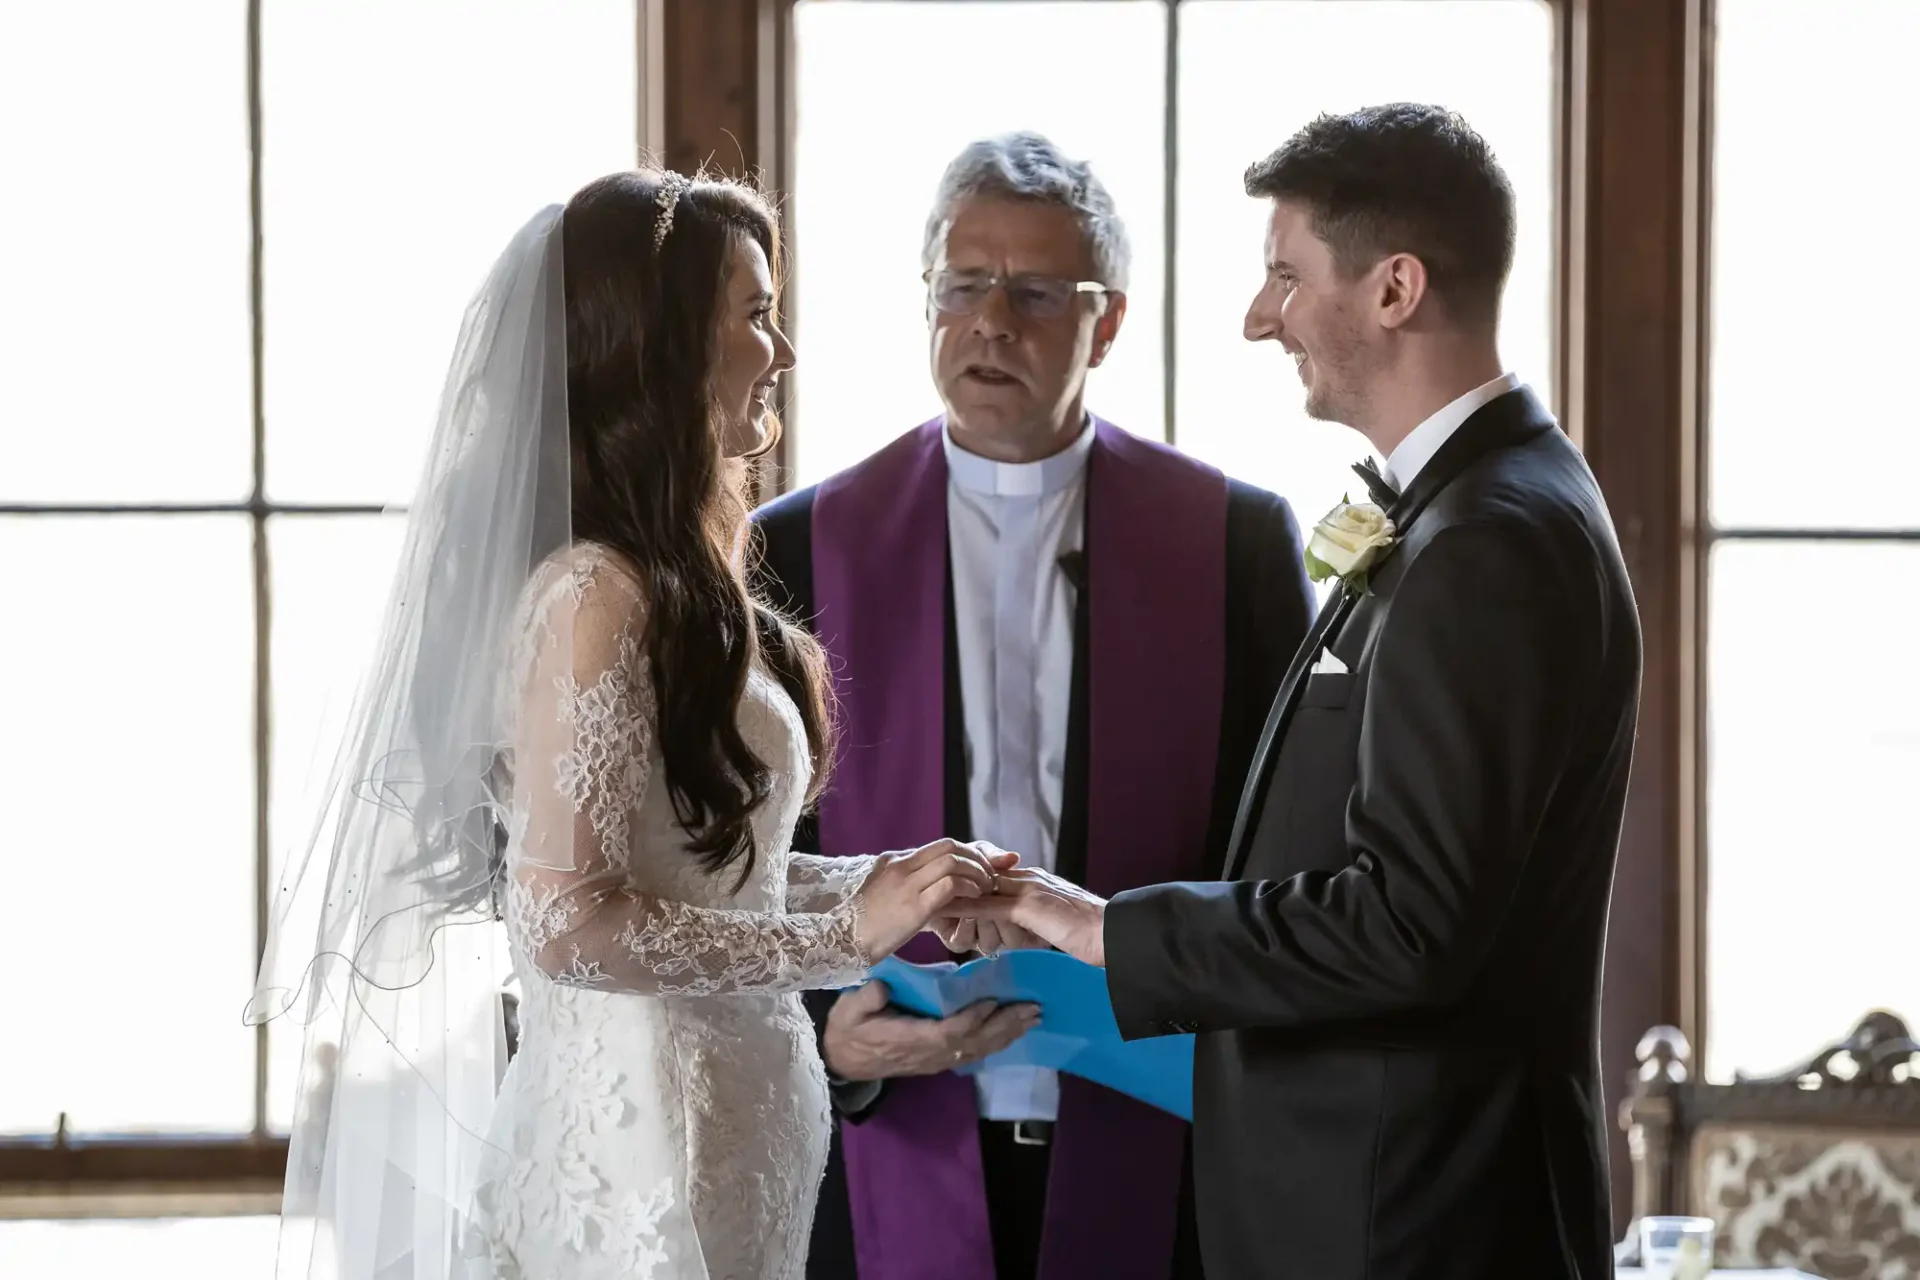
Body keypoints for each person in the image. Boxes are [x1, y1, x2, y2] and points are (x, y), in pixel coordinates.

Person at [247, 169, 1007, 1280]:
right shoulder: (591, 596)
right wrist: (843, 939)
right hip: (642, 1143)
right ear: (663, 349)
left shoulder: (680, 584)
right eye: (755, 315)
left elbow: (707, 879)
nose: (783, 350)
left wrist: (899, 883)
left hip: (742, 1129)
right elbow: (569, 922)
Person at [961, 105, 1642, 1280]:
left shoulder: (1491, 542)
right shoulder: (1468, 509)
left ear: (1394, 289)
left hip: (1409, 1221)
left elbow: (1411, 920)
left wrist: (1104, 927)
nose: (1258, 314)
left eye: (1286, 274)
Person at [752, 132, 1314, 1280]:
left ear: (1106, 323)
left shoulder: (1233, 544)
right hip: (882, 1160)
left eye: (1037, 291)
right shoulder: (797, 547)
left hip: (1160, 1158)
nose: (992, 321)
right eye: (962, 285)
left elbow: (1281, 853)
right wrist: (828, 1036)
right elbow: (749, 869)